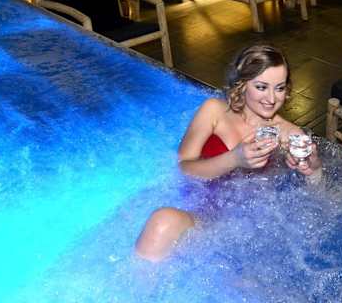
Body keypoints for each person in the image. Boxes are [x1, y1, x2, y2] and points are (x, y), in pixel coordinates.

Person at [135, 44, 321, 262]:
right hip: (198, 212)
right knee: (162, 221)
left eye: (279, 88)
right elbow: (183, 167)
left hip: (245, 229)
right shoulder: (214, 111)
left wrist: (313, 167)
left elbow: (318, 196)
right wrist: (234, 159)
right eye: (261, 87)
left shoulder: (289, 134)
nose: (271, 99)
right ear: (242, 84)